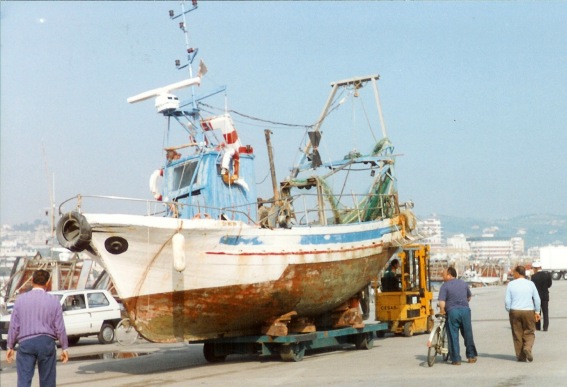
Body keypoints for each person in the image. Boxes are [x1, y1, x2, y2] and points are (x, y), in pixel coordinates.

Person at [6, 269, 69, 387]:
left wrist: (10, 346)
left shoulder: (20, 300)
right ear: (47, 283)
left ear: (32, 281)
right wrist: (64, 347)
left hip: (26, 343)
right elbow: (59, 328)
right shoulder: (54, 301)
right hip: (46, 343)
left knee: (24, 380)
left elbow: (14, 326)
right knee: (48, 381)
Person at [438, 267, 478, 365]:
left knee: (453, 335)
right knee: (468, 334)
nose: (442, 276)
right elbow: (469, 297)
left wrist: (442, 310)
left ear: (449, 275)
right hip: (465, 311)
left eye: (444, 274)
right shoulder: (463, 283)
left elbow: (442, 301)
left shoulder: (444, 286)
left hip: (452, 312)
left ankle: (456, 359)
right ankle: (471, 356)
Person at [505, 265, 541, 362]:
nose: (513, 274)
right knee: (529, 331)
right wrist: (537, 311)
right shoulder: (530, 284)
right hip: (529, 310)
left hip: (514, 310)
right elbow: (537, 299)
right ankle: (527, 348)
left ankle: (521, 356)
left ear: (517, 273)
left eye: (514, 273)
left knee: (517, 334)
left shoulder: (511, 284)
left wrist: (510, 310)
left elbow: (507, 301)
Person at [531, 262, 552, 331]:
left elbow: (533, 287)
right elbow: (549, 284)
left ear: (535, 268)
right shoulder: (547, 275)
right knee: (545, 312)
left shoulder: (533, 276)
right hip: (545, 296)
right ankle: (545, 327)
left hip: (536, 296)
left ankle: (537, 326)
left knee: (537, 311)